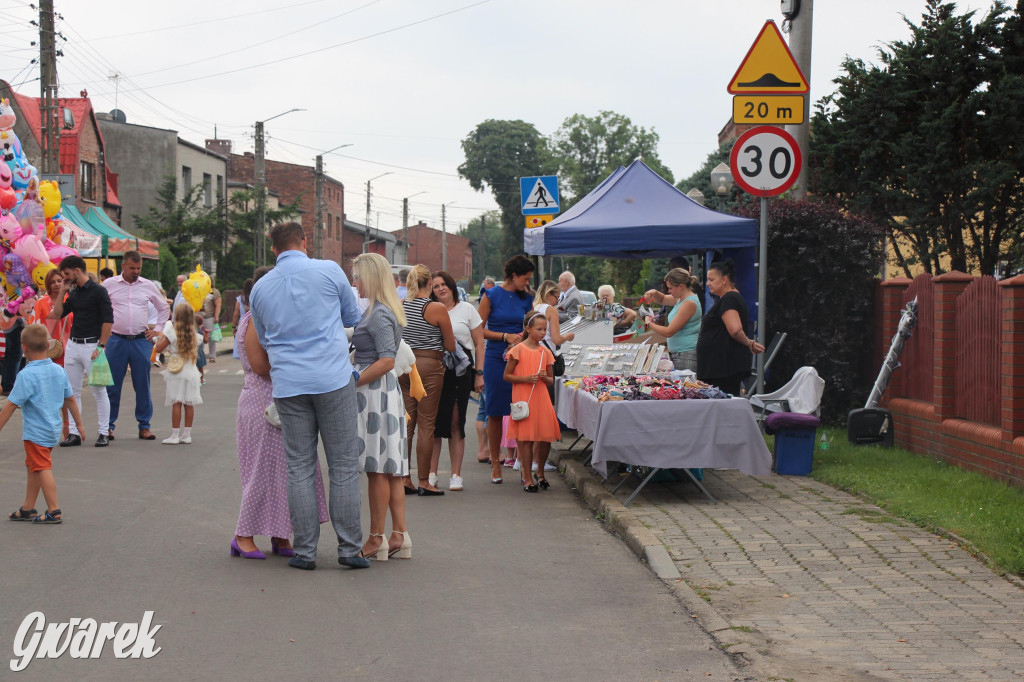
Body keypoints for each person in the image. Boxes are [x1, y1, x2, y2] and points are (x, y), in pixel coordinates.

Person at [249, 221, 368, 571]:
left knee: (299, 466)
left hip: (288, 383)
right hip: (332, 377)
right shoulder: (329, 271)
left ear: (273, 249)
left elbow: (265, 335)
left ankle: (305, 552)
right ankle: (349, 549)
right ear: (305, 242)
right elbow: (352, 317)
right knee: (344, 465)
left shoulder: (260, 288)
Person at [232, 266, 329, 560]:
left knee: (286, 472)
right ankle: (242, 536)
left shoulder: (273, 318)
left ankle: (280, 534)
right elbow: (261, 366)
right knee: (261, 471)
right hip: (263, 402)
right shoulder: (252, 320)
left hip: (282, 398)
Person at [351, 253, 412, 560]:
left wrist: (353, 381)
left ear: (371, 277)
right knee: (390, 468)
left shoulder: (377, 313)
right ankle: (399, 534)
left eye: (358, 276)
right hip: (383, 393)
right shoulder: (384, 309)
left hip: (375, 393)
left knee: (378, 468)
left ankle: (377, 538)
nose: (354, 282)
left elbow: (386, 360)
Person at [2, 324, 84, 525]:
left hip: (35, 432)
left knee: (42, 468)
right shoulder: (58, 370)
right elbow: (70, 399)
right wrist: (76, 424)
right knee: (34, 467)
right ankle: (28, 508)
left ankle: (54, 510)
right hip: (52, 429)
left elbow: (11, 405)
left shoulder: (26, 375)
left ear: (24, 348)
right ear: (48, 345)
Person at [398, 264, 456, 496]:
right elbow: (451, 345)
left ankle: (404, 477)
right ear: (429, 283)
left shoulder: (402, 305)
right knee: (426, 424)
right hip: (429, 366)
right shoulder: (436, 308)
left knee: (406, 423)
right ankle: (424, 480)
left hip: (404, 365)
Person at [478, 255, 535, 484]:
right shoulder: (490, 295)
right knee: (494, 410)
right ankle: (495, 462)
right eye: (525, 278)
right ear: (513, 275)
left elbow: (532, 326)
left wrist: (524, 337)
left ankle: (523, 464)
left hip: (521, 356)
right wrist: (504, 336)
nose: (527, 283)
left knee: (521, 409)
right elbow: (479, 329)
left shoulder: (526, 299)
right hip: (495, 356)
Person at [102, 251, 169, 442]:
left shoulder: (148, 285)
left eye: (138, 268)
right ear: (123, 266)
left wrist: (157, 329)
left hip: (141, 341)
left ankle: (144, 426)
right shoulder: (109, 285)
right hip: (116, 340)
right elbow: (98, 306)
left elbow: (163, 307)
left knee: (142, 384)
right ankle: (107, 426)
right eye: (132, 268)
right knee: (112, 385)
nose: (136, 272)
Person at [429, 270, 485, 492]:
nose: (441, 288)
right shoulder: (430, 309)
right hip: (435, 369)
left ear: (452, 286)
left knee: (455, 421)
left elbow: (479, 343)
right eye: (436, 286)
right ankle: (431, 473)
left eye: (444, 284)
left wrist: (479, 373)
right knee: (433, 424)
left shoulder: (467, 309)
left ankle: (456, 475)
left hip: (461, 371)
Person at [50, 255, 113, 448]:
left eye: (67, 274)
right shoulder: (74, 292)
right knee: (71, 391)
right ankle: (74, 433)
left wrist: (101, 346)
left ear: (77, 270)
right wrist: (62, 292)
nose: (65, 278)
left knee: (99, 390)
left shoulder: (99, 291)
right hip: (73, 345)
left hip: (92, 345)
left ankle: (103, 432)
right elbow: (59, 313)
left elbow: (108, 320)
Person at [503, 311, 560, 492]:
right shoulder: (517, 350)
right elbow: (507, 376)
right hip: (523, 397)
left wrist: (544, 377)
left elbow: (551, 380)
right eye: (539, 329)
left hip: (542, 396)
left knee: (545, 437)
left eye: (545, 329)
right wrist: (526, 379)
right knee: (525, 438)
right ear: (528, 329)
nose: (543, 333)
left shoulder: (546, 352)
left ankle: (540, 472)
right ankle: (526, 476)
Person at [696, 259, 765, 394]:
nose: (708, 283)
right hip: (719, 369)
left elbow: (735, 329)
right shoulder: (727, 298)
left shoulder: (729, 299)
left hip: (722, 370)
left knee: (721, 407)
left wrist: (748, 343)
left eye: (711, 279)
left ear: (724, 280)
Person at [152, 304, 203, 445]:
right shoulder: (194, 334)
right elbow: (202, 340)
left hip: (176, 369)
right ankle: (187, 435)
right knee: (189, 403)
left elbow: (158, 349)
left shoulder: (172, 333)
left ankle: (175, 435)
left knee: (177, 402)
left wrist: (160, 339)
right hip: (191, 370)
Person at [35, 269, 72, 439]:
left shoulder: (70, 300)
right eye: (53, 281)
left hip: (69, 350)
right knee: (49, 392)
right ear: (48, 284)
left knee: (66, 392)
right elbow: (35, 326)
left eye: (59, 280)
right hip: (49, 351)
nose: (57, 284)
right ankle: (49, 427)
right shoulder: (41, 303)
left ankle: (68, 426)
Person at [643, 268, 703, 371]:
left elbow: (669, 332)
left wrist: (649, 324)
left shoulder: (689, 303)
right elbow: (662, 299)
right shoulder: (680, 298)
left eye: (670, 288)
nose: (669, 291)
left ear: (681, 286)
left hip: (686, 354)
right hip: (679, 353)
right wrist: (654, 292)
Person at [201, 277, 222, 362]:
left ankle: (212, 356)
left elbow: (218, 305)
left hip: (210, 317)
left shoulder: (214, 292)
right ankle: (200, 353)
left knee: (210, 337)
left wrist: (216, 316)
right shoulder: (201, 291)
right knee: (200, 336)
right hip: (201, 316)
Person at [232, 277, 253, 359]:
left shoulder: (240, 299)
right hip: (252, 324)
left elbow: (236, 314)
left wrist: (234, 326)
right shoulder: (255, 296)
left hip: (242, 324)